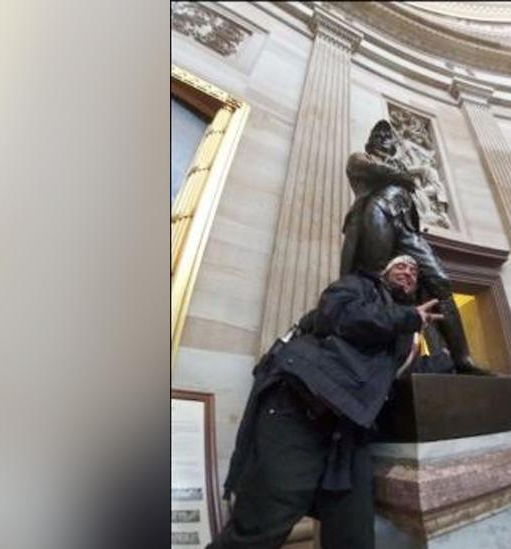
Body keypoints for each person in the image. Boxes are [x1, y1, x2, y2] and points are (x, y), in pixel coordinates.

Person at [208, 255, 442, 549]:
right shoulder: (360, 285)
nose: (409, 273)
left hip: (349, 428)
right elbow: (338, 314)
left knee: (353, 536)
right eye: (401, 266)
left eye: (414, 272)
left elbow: (400, 379)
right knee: (262, 527)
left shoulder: (408, 331)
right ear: (384, 272)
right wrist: (409, 318)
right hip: (301, 407)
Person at [341, 119, 489, 375]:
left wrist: (405, 175)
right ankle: (375, 355)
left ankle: (462, 358)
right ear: (371, 141)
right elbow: (376, 170)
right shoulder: (360, 157)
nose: (384, 140)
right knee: (374, 278)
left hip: (407, 227)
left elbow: (408, 180)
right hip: (377, 215)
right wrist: (403, 176)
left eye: (388, 138)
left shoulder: (398, 164)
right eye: (380, 136)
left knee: (440, 280)